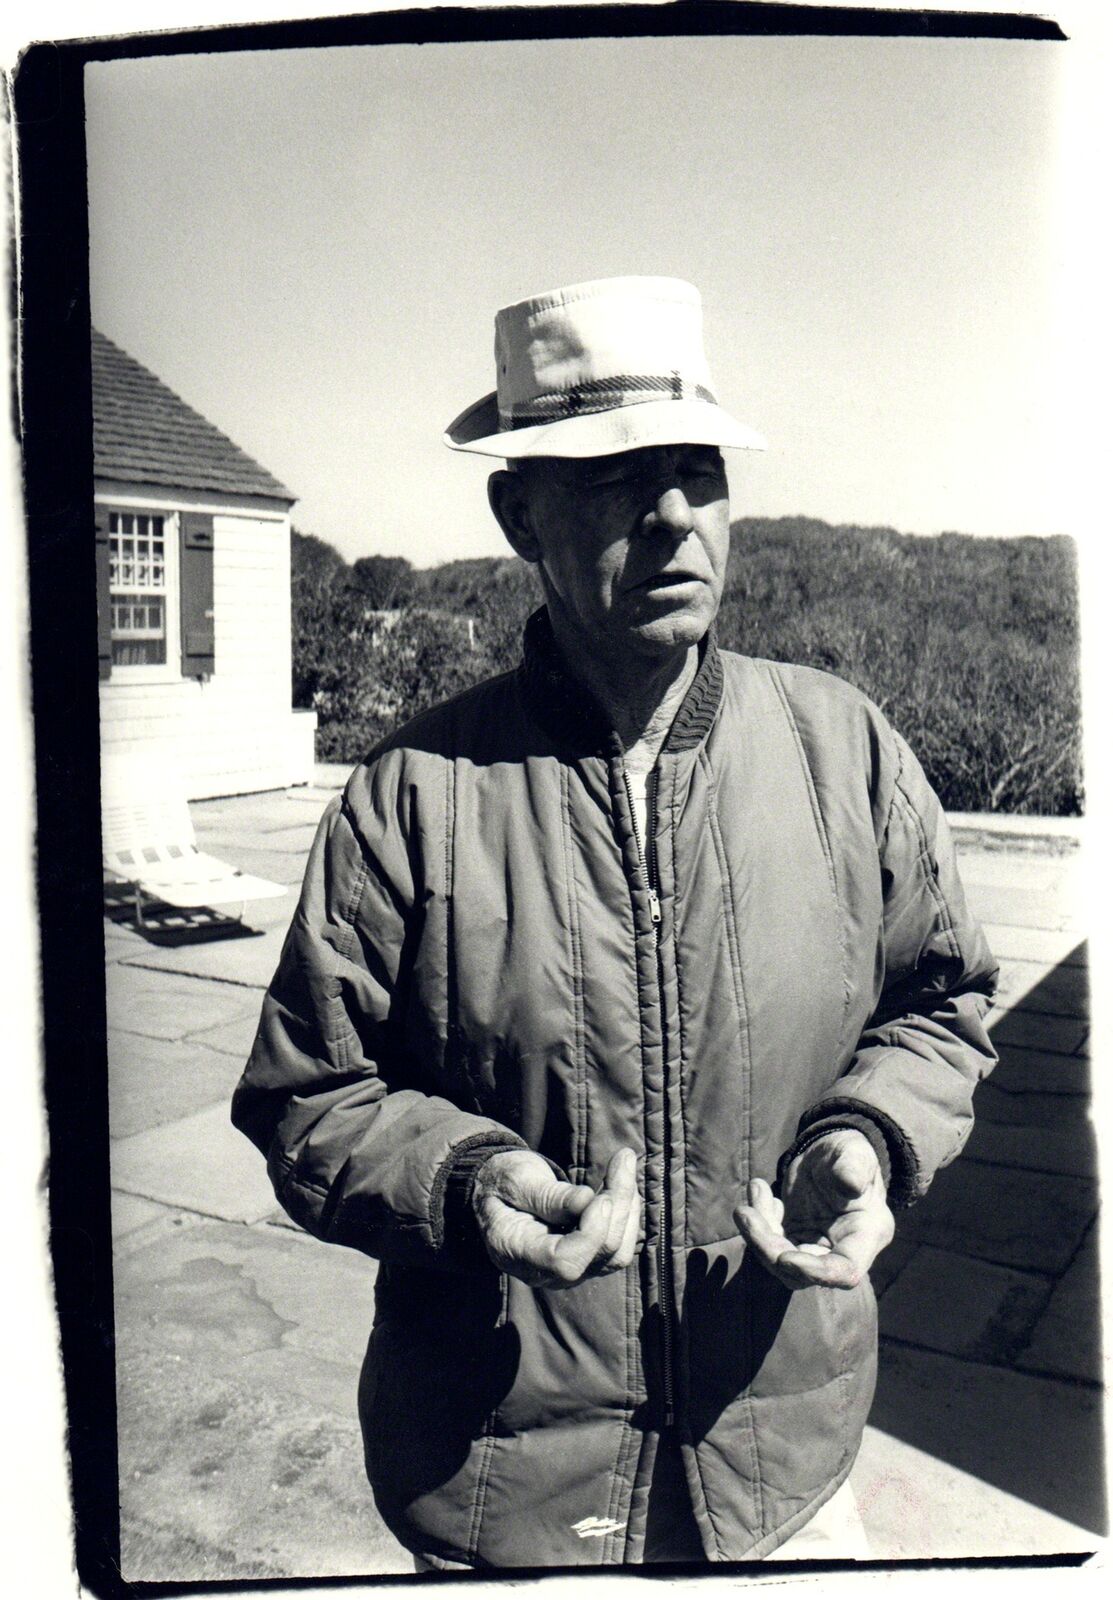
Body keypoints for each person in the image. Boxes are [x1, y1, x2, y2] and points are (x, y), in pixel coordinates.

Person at [231, 276, 998, 1568]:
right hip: (499, 1484)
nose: (670, 518)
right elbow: (310, 1098)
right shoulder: (412, 794)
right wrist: (473, 1187)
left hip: (783, 1469)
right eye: (609, 481)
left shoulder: (843, 749)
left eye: (696, 470)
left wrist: (867, 1138)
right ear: (515, 511)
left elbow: (938, 1005)